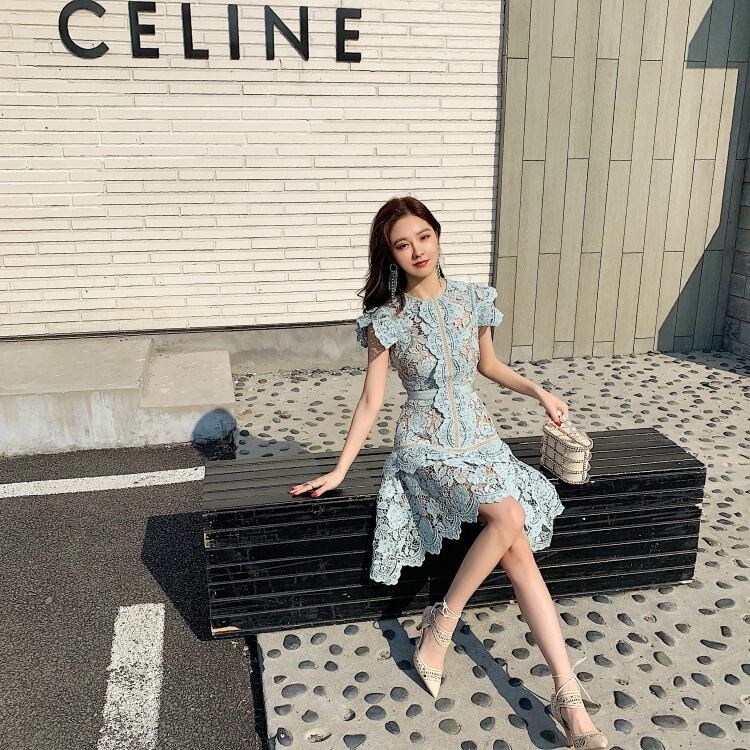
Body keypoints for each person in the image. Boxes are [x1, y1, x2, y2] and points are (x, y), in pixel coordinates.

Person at [289, 196, 608, 749]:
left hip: (482, 442)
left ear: (437, 235)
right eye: (402, 244)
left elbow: (489, 365)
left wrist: (539, 392)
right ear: (390, 255)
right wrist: (340, 470)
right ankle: (443, 624)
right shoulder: (386, 320)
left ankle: (567, 696)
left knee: (516, 544)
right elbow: (371, 401)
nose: (416, 250)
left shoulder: (472, 299)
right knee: (508, 515)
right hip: (426, 447)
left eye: (423, 237)